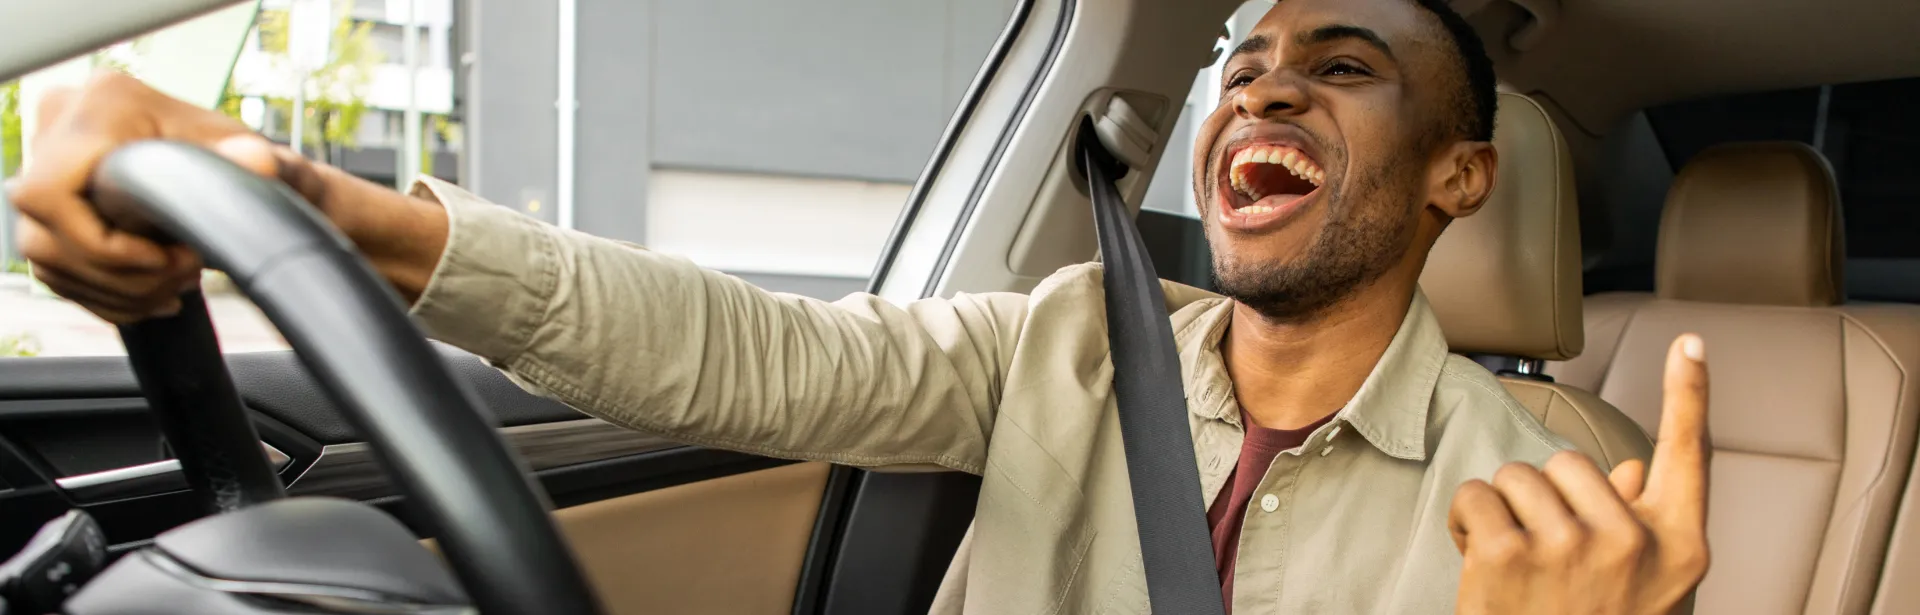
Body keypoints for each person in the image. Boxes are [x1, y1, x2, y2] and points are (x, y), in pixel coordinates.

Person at [6, 0, 1710, 612]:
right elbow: (751, 351)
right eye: (1246, 66)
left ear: (1459, 177)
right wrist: (332, 214)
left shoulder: (1567, 490)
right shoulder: (1065, 338)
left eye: (1340, 69)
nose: (1263, 92)